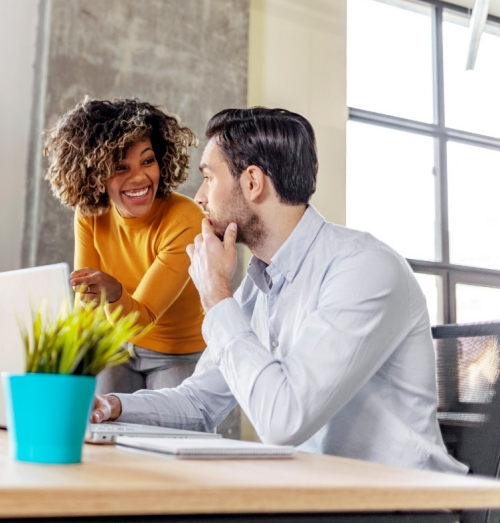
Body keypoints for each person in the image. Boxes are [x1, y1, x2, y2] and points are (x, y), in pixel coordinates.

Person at [91, 107, 467, 473]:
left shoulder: (363, 268)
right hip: (317, 495)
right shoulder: (261, 285)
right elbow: (199, 402)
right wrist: (110, 406)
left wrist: (215, 294)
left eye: (209, 178)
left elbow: (282, 422)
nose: (200, 197)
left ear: (252, 182)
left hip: (402, 503)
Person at [43, 97, 206, 393]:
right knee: (97, 428)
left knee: (165, 437)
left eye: (147, 160)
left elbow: (141, 318)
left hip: (175, 353)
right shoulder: (91, 213)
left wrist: (113, 291)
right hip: (115, 344)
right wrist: (70, 362)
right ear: (95, 174)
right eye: (120, 167)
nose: (140, 177)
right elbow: (87, 302)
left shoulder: (185, 219)